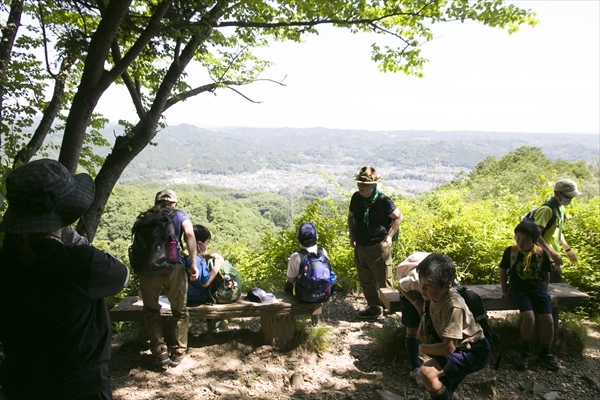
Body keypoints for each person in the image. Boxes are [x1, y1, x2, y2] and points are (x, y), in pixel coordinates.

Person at [0, 159, 129, 400]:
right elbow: (121, 274)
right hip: (79, 386)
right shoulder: (76, 261)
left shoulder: (8, 259)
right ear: (64, 212)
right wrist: (74, 237)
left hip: (18, 382)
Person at [417, 253, 490, 400]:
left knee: (427, 372)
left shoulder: (454, 306)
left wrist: (422, 348)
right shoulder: (434, 295)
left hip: (473, 351)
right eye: (421, 283)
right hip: (459, 349)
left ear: (447, 285)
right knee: (445, 389)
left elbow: (448, 348)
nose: (422, 289)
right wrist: (423, 326)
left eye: (428, 285)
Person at [138, 189, 198, 367]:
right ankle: (179, 351)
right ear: (174, 203)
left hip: (147, 270)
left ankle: (159, 350)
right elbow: (189, 234)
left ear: (156, 202)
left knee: (150, 310)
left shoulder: (145, 217)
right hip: (174, 267)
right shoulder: (179, 215)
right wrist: (193, 262)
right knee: (179, 310)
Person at [499, 220, 559, 371]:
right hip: (518, 290)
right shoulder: (511, 251)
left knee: (548, 321)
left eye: (526, 240)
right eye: (518, 238)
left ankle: (546, 352)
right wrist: (505, 291)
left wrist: (547, 292)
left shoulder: (540, 254)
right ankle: (525, 351)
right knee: (529, 318)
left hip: (538, 290)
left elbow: (546, 275)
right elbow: (503, 271)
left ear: (533, 240)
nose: (521, 242)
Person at [348, 166, 403, 318]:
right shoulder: (356, 198)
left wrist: (390, 236)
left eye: (364, 184)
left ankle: (391, 314)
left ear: (373, 186)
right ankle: (374, 308)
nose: (361, 186)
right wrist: (352, 236)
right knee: (366, 280)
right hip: (361, 246)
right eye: (359, 183)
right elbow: (351, 216)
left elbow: (399, 217)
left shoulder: (382, 201)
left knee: (385, 281)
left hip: (379, 247)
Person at [533, 179, 582, 283]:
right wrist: (551, 252)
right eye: (567, 196)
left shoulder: (560, 208)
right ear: (556, 193)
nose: (570, 199)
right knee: (555, 289)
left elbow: (557, 231)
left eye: (572, 197)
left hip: (552, 257)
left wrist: (567, 249)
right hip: (543, 257)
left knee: (553, 290)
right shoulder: (547, 209)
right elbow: (535, 234)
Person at [397, 252, 432, 387]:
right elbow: (401, 286)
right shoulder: (414, 281)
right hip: (410, 292)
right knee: (412, 330)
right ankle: (415, 370)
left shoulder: (448, 285)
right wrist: (416, 303)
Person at [285, 222, 330, 294]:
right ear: (316, 238)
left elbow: (291, 279)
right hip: (323, 293)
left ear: (298, 239)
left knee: (288, 285)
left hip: (304, 296)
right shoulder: (322, 251)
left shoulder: (295, 256)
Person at [185, 224, 225, 306]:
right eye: (207, 243)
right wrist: (217, 265)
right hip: (197, 297)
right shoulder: (195, 260)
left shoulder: (184, 254)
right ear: (199, 244)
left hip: (186, 294)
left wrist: (206, 256)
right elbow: (205, 282)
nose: (207, 246)